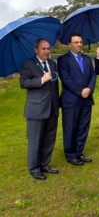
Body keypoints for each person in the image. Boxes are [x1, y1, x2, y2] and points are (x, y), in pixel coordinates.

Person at [19, 39, 59, 180]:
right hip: (36, 109)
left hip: (52, 108)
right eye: (43, 49)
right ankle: (34, 168)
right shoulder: (28, 64)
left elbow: (55, 86)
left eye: (48, 48)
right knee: (35, 140)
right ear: (36, 49)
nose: (47, 51)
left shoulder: (53, 64)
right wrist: (41, 80)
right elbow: (23, 83)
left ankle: (45, 164)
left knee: (49, 138)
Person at [58, 33, 96, 165]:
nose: (79, 44)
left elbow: (93, 76)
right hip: (71, 100)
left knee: (83, 128)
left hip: (86, 99)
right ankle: (70, 154)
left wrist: (89, 89)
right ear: (69, 44)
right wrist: (80, 91)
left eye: (80, 42)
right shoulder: (63, 60)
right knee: (70, 128)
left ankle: (79, 152)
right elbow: (66, 79)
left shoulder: (86, 58)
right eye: (76, 42)